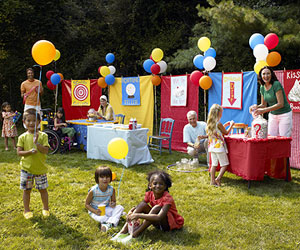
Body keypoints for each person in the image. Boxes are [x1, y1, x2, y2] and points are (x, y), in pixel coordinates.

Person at [112, 170, 184, 244]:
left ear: (165, 186)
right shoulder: (149, 194)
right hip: (156, 222)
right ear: (150, 185)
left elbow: (159, 217)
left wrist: (138, 215)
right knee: (143, 204)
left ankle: (135, 235)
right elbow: (142, 205)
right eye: (155, 183)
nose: (158, 186)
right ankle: (123, 232)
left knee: (156, 207)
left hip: (168, 225)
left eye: (161, 184)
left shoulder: (167, 198)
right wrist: (133, 211)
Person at [17, 109, 50, 219]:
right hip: (27, 169)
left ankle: (46, 208)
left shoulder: (43, 135)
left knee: (43, 190)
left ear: (39, 122)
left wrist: (37, 144)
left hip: (40, 169)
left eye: (34, 120)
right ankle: (26, 210)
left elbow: (45, 150)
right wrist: (29, 152)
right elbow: (19, 152)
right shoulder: (22, 137)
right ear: (24, 122)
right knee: (27, 190)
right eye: (28, 120)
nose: (31, 123)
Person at [249, 66, 292, 137]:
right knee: (271, 137)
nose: (266, 76)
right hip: (272, 115)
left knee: (284, 138)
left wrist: (264, 110)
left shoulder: (276, 84)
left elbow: (280, 104)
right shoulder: (262, 87)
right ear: (261, 76)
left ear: (271, 75)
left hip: (284, 114)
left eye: (268, 73)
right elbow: (263, 104)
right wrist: (255, 107)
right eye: (264, 74)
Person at [85, 166, 124, 232]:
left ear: (111, 178)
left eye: (107, 177)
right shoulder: (93, 191)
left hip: (106, 208)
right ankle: (111, 222)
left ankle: (107, 224)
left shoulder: (111, 189)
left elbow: (114, 202)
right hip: (96, 211)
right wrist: (95, 211)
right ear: (97, 178)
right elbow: (87, 204)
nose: (105, 179)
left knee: (120, 207)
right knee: (103, 217)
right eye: (102, 177)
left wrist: (113, 204)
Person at [206, 104, 234, 187]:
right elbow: (226, 132)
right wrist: (231, 125)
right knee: (224, 164)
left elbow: (218, 131)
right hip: (219, 147)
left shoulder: (209, 124)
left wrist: (225, 126)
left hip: (212, 147)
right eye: (221, 112)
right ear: (218, 113)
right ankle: (218, 178)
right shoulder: (218, 123)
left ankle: (212, 181)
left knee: (214, 164)